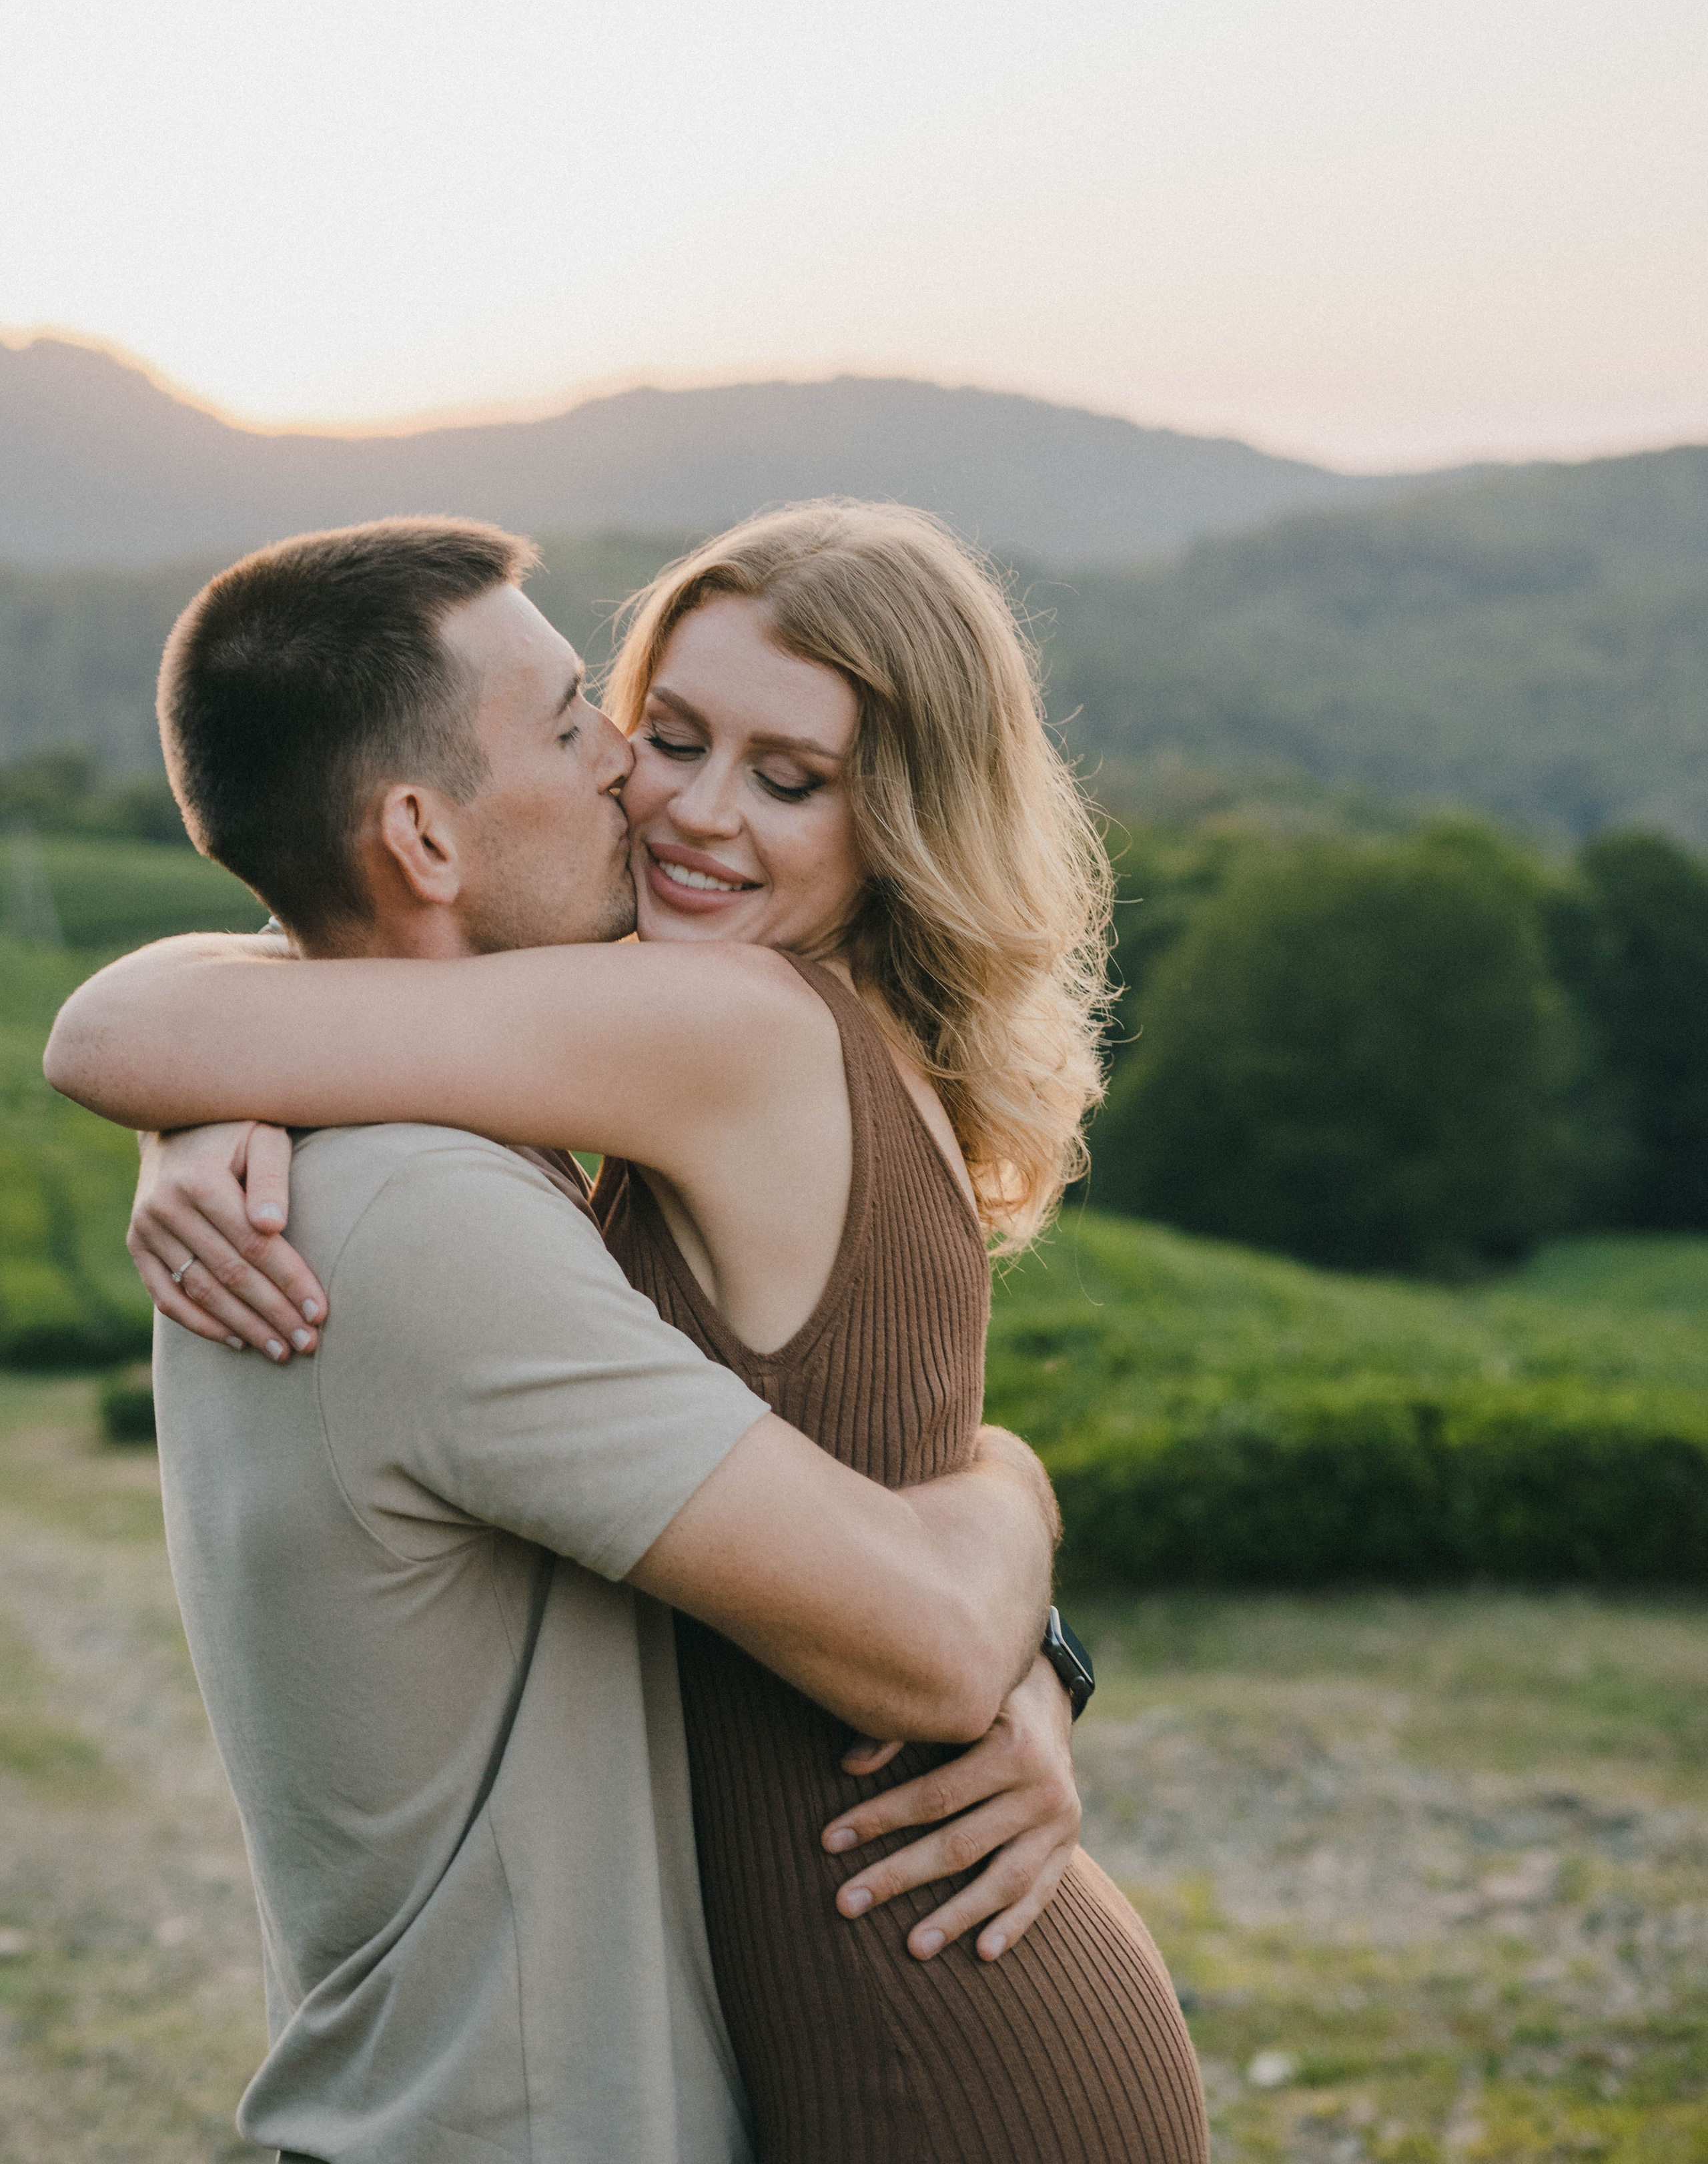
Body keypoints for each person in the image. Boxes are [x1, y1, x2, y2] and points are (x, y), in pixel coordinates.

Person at [49, 504, 1210, 2164]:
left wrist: (197, 1098)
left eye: (787, 779)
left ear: (895, 822)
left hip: (932, 2034)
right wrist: (217, 1108)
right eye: (650, 731)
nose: (668, 798)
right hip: (904, 1990)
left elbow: (120, 1025)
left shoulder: (725, 1023)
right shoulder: (672, 1065)